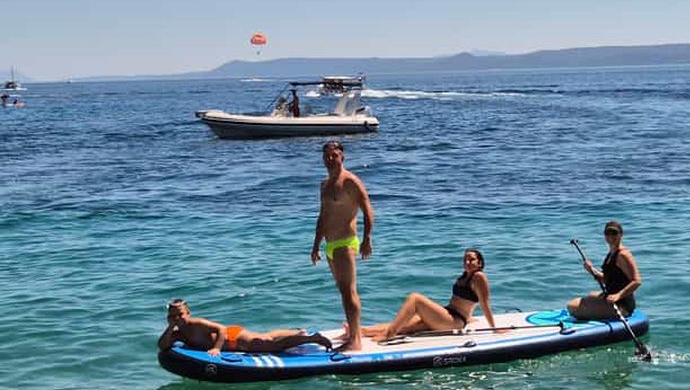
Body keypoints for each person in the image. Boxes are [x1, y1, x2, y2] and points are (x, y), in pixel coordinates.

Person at [311, 141, 374, 351]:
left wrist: (367, 238)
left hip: (346, 243)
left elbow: (367, 209)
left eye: (334, 155)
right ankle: (353, 330)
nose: (330, 159)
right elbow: (323, 215)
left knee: (349, 292)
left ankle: (355, 340)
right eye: (326, 156)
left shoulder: (350, 181)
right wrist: (316, 245)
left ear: (342, 157)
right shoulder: (324, 184)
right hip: (330, 245)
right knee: (343, 290)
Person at [363, 249, 497, 342]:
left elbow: (484, 304)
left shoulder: (479, 277)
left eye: (471, 260)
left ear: (480, 263)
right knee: (405, 326)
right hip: (447, 315)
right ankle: (361, 331)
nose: (467, 262)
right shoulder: (465, 276)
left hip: (454, 321)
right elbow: (462, 302)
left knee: (415, 298)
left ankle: (389, 334)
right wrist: (469, 318)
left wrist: (494, 328)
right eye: (465, 260)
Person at [157, 299, 332, 356]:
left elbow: (221, 329)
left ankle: (312, 338)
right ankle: (297, 331)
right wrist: (170, 327)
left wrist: (216, 348)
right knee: (266, 336)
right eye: (173, 316)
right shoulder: (178, 333)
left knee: (272, 344)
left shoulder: (196, 323)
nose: (177, 318)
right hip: (234, 339)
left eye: (180, 314)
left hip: (235, 338)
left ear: (188, 313)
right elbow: (162, 346)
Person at [567, 220, 642, 320]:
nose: (610, 236)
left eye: (614, 233)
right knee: (590, 295)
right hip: (610, 296)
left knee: (572, 306)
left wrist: (618, 295)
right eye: (607, 233)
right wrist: (591, 270)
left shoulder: (623, 255)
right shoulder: (611, 253)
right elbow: (608, 279)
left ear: (621, 234)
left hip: (621, 305)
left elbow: (637, 281)